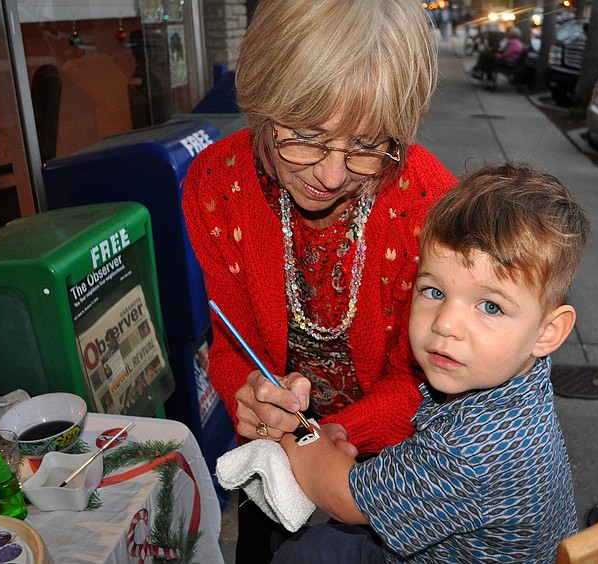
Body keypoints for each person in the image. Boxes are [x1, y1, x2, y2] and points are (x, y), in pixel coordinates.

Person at [180, 0, 457, 561]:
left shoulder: (428, 201)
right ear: (261, 104)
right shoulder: (216, 183)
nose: (330, 176)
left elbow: (432, 377)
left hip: (400, 466)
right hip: (276, 457)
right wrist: (255, 398)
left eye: (366, 144)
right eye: (304, 135)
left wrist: (318, 440)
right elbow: (231, 343)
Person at [274, 163, 591, 562]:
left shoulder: (470, 451)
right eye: (434, 291)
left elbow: (343, 498)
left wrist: (295, 436)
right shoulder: (519, 373)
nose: (445, 325)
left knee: (303, 553)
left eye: (490, 306)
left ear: (548, 332)